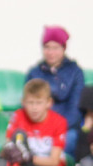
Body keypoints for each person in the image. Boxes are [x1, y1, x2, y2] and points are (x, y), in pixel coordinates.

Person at [2, 79, 67, 166]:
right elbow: (7, 147)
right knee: (18, 134)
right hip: (22, 165)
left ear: (49, 103)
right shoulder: (18, 116)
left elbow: (54, 162)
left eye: (39, 103)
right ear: (23, 102)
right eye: (30, 103)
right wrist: (8, 151)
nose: (34, 108)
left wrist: (29, 158)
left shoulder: (59, 122)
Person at [25, 26, 84, 157]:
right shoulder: (34, 73)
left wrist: (55, 128)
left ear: (63, 48)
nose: (51, 52)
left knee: (70, 138)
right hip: (37, 126)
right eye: (47, 47)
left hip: (66, 127)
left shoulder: (75, 72)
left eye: (55, 48)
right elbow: (28, 104)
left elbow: (75, 108)